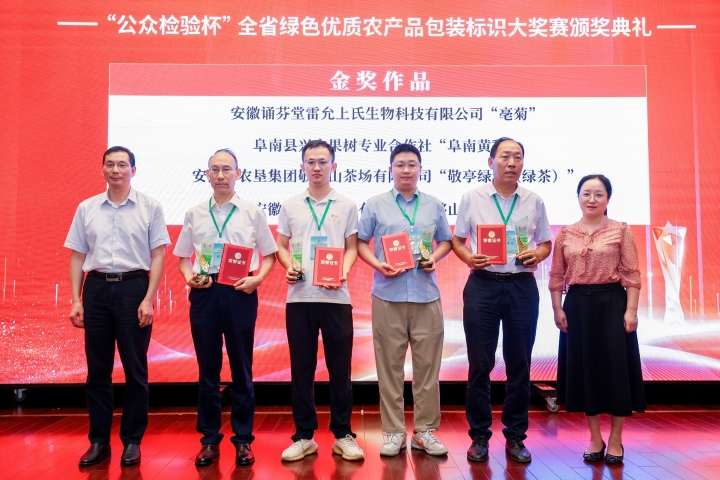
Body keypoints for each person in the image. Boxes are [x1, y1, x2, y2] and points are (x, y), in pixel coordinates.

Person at [65, 146, 170, 467]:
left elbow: (158, 256)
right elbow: (77, 256)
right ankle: (99, 441)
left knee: (135, 370)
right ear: (102, 169)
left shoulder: (150, 207)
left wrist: (149, 298)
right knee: (97, 370)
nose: (116, 170)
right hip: (96, 289)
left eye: (122, 165)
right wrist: (76, 299)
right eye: (110, 164)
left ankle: (132, 441)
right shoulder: (87, 208)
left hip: (134, 288)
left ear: (133, 170)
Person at [174, 148, 278, 467]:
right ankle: (209, 440)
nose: (221, 175)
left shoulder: (252, 212)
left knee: (242, 367)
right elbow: (182, 258)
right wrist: (189, 278)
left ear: (238, 173)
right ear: (207, 174)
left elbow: (270, 255)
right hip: (205, 293)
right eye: (215, 170)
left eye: (227, 169)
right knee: (208, 369)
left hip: (240, 291)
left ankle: (243, 439)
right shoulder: (194, 213)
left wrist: (257, 279)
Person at [451, 137, 552, 464]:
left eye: (518, 157)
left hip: (522, 287)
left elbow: (545, 243)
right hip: (483, 286)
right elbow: (457, 240)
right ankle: (479, 435)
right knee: (480, 364)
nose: (511, 163)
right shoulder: (472, 198)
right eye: (505, 156)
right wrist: (469, 257)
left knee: (519, 362)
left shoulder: (534, 200)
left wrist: (537, 254)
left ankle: (516, 436)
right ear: (490, 161)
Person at [357, 143, 452, 457]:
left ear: (420, 169)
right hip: (388, 294)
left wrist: (434, 258)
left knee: (428, 369)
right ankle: (394, 433)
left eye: (412, 164)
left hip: (426, 295)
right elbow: (361, 242)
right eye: (400, 164)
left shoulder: (434, 205)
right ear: (390, 169)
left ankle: (424, 432)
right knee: (389, 369)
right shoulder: (375, 204)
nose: (406, 170)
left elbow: (445, 241)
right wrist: (378, 264)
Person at [275, 140, 364, 462]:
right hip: (300, 298)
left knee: (340, 369)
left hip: (337, 298)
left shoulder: (347, 205)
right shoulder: (290, 205)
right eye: (310, 162)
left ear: (333, 166)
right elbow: (281, 246)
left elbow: (352, 247)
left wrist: (343, 271)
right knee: (302, 369)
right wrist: (289, 266)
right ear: (302, 166)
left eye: (322, 162)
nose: (316, 167)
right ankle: (303, 436)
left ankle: (343, 434)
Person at [550, 174, 645, 465]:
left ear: (608, 199)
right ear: (578, 197)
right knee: (586, 372)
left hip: (612, 304)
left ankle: (615, 439)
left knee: (616, 372)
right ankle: (594, 438)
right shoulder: (566, 233)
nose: (592, 199)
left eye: (598, 194)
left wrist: (631, 311)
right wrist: (557, 309)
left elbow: (632, 274)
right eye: (586, 194)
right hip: (577, 306)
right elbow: (556, 275)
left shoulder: (621, 230)